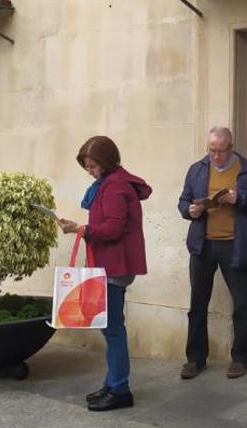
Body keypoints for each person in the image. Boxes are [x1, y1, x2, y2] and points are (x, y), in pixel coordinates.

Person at [59, 136, 151, 412]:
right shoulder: (109, 184)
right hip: (111, 264)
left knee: (112, 330)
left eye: (92, 166)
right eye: (86, 166)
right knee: (109, 327)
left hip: (115, 266)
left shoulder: (115, 186)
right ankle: (112, 383)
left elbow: (112, 229)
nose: (89, 171)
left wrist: (80, 229)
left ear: (106, 162)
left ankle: (120, 389)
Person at [177, 127, 247, 379]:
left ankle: (241, 358)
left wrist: (239, 197)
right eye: (211, 150)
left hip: (235, 244)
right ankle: (195, 359)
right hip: (202, 245)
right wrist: (190, 211)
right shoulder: (197, 169)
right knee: (197, 304)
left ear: (231, 147)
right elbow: (183, 201)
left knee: (242, 303)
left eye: (220, 151)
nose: (215, 156)